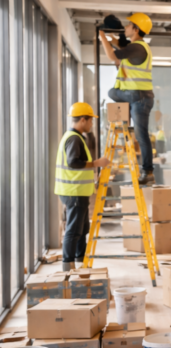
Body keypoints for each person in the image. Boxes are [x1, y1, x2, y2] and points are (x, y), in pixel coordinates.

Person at [98, 12, 155, 185]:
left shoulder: (137, 47)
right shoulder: (136, 47)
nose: (126, 27)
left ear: (136, 29)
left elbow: (112, 55)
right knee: (141, 134)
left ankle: (148, 172)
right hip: (140, 97)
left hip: (138, 96)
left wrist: (101, 35)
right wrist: (110, 37)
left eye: (129, 25)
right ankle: (148, 172)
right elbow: (118, 46)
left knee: (112, 93)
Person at [55, 103, 111, 271]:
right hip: (74, 192)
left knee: (82, 228)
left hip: (78, 191)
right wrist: (96, 163)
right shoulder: (74, 138)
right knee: (74, 230)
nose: (92, 124)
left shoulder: (76, 137)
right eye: (90, 120)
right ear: (82, 120)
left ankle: (80, 261)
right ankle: (68, 265)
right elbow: (73, 162)